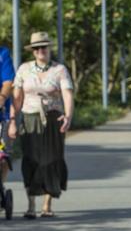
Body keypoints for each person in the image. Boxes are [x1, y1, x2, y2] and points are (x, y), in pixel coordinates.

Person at [8, 32, 74, 219]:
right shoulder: (24, 69)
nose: (40, 51)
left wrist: (68, 116)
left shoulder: (59, 69)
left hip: (53, 119)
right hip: (30, 119)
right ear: (33, 51)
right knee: (31, 160)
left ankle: (47, 204)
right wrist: (13, 121)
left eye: (43, 47)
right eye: (36, 48)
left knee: (51, 160)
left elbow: (67, 93)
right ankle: (30, 205)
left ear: (49, 48)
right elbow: (17, 97)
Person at [0, 45, 15, 184]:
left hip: (2, 115)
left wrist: (1, 98)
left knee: (3, 155)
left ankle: (1, 187)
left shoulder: (2, 53)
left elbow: (8, 82)